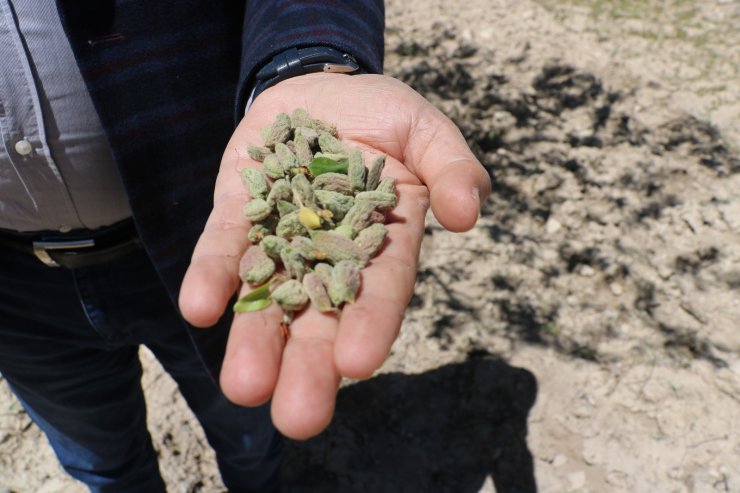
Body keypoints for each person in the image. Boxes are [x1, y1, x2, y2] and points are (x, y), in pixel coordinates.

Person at [0, 1, 491, 492]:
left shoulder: (287, 206)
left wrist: (308, 60)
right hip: (15, 296)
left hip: (191, 230)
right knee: (100, 464)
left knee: (249, 434)